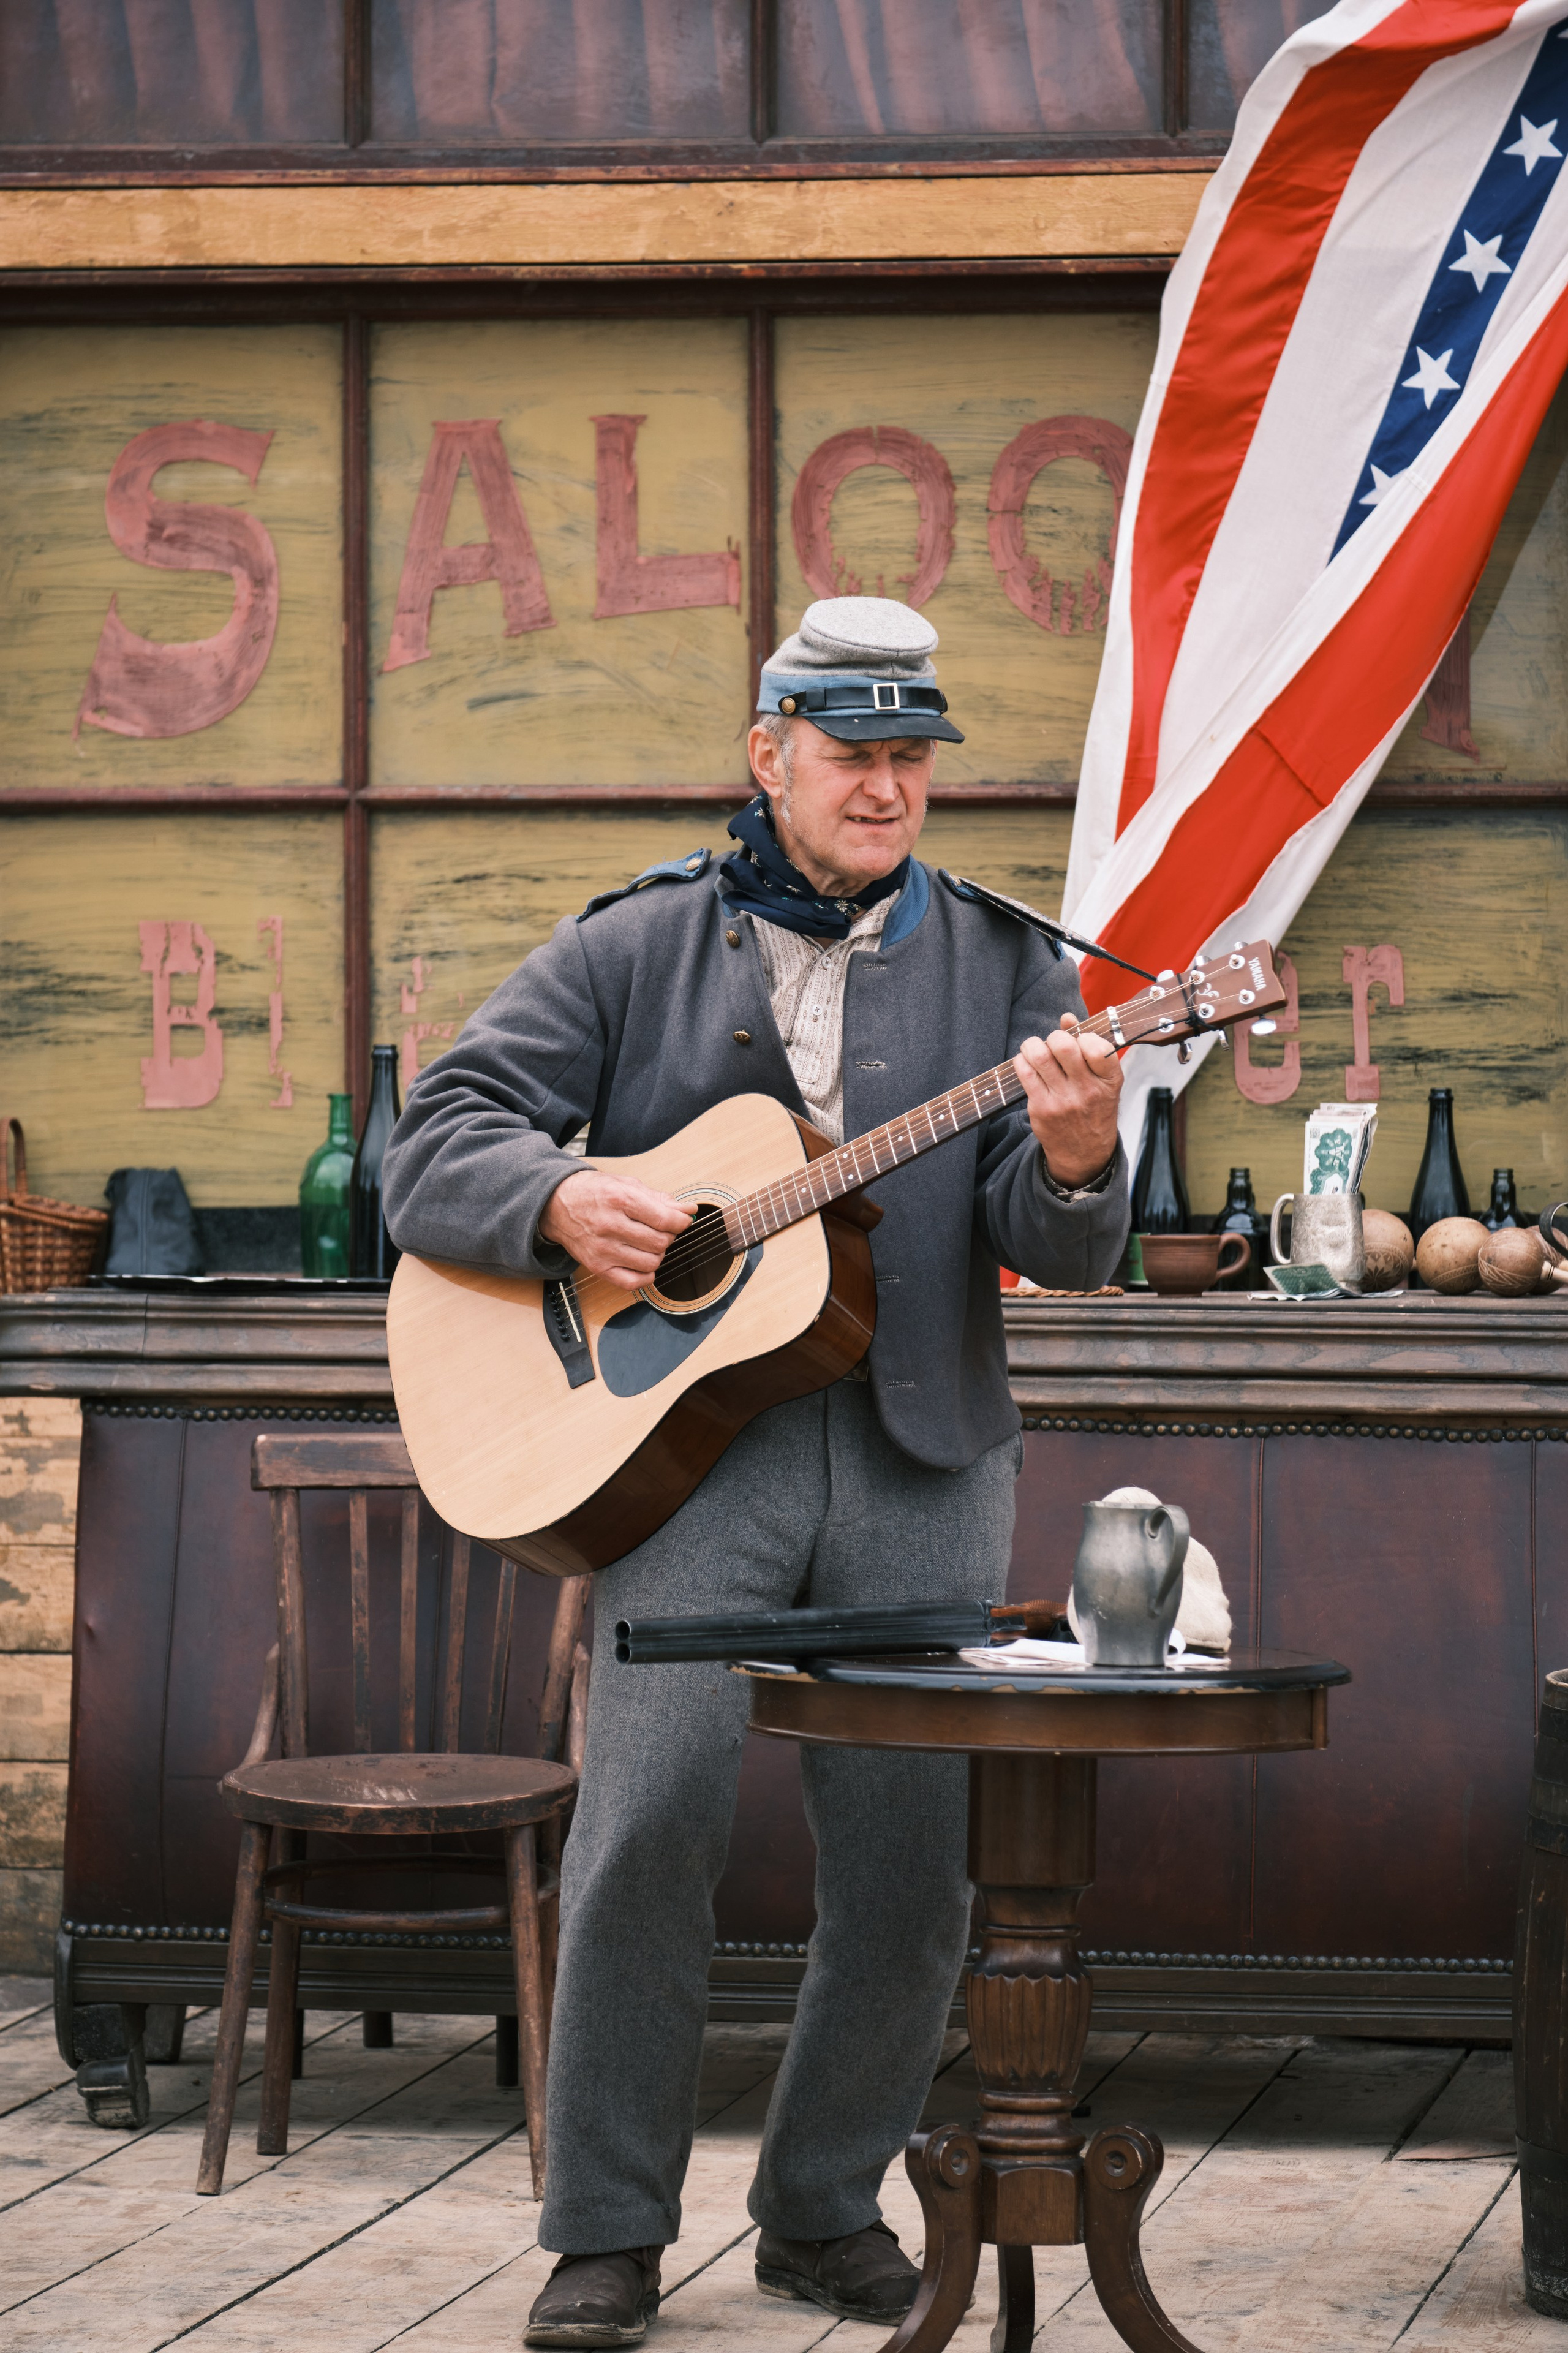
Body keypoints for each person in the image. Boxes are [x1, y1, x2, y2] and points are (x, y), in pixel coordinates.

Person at [381, 596, 1128, 2347]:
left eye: (912, 759)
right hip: (681, 1456)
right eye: (854, 752)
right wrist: (562, 1199)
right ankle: (610, 2230)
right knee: (647, 1829)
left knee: (908, 1865)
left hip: (921, 1445)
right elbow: (438, 1141)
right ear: (767, 752)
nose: (886, 785)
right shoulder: (636, 941)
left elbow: (1056, 1232)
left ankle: (817, 2203)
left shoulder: (1015, 959)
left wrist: (1084, 1151)